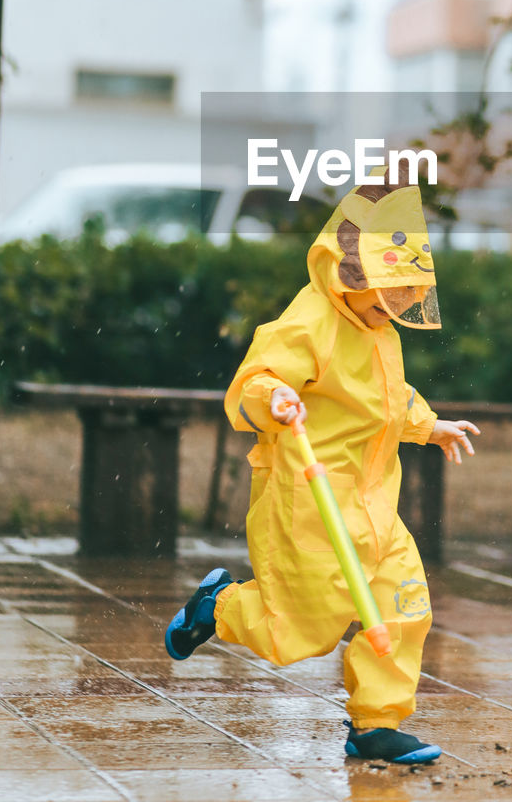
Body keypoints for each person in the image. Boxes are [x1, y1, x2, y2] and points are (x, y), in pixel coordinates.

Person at [164, 167, 479, 764]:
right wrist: (274, 398)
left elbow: (386, 397)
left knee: (403, 605)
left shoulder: (379, 327)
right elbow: (258, 378)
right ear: (349, 272)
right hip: (308, 503)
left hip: (373, 504)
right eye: (391, 292)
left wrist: (427, 425)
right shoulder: (311, 320)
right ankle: (220, 608)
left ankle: (377, 723)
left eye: (409, 294)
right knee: (300, 631)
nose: (400, 305)